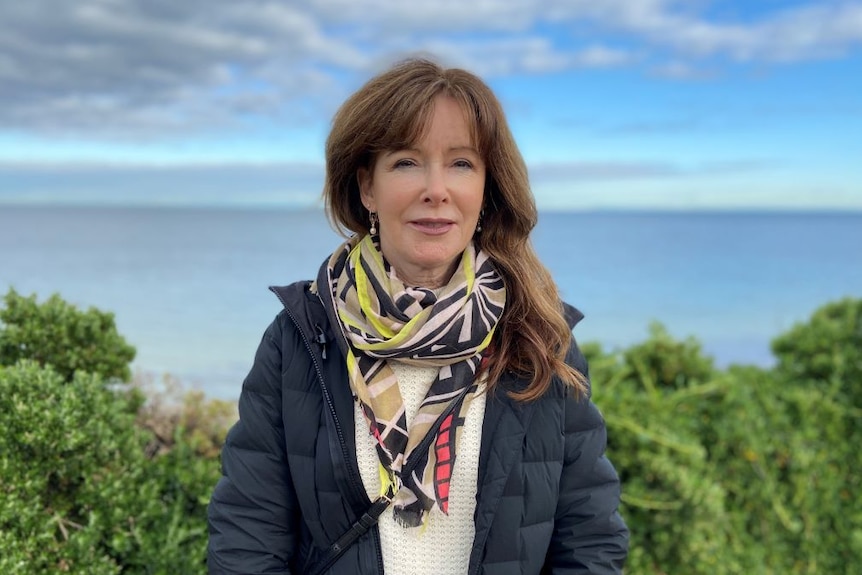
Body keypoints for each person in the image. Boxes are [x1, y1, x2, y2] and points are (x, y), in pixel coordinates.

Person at [207, 57, 629, 574]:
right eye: (407, 162)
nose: (437, 188)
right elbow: (248, 533)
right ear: (367, 188)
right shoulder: (301, 337)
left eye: (461, 163)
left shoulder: (537, 340)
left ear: (486, 188)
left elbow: (589, 539)